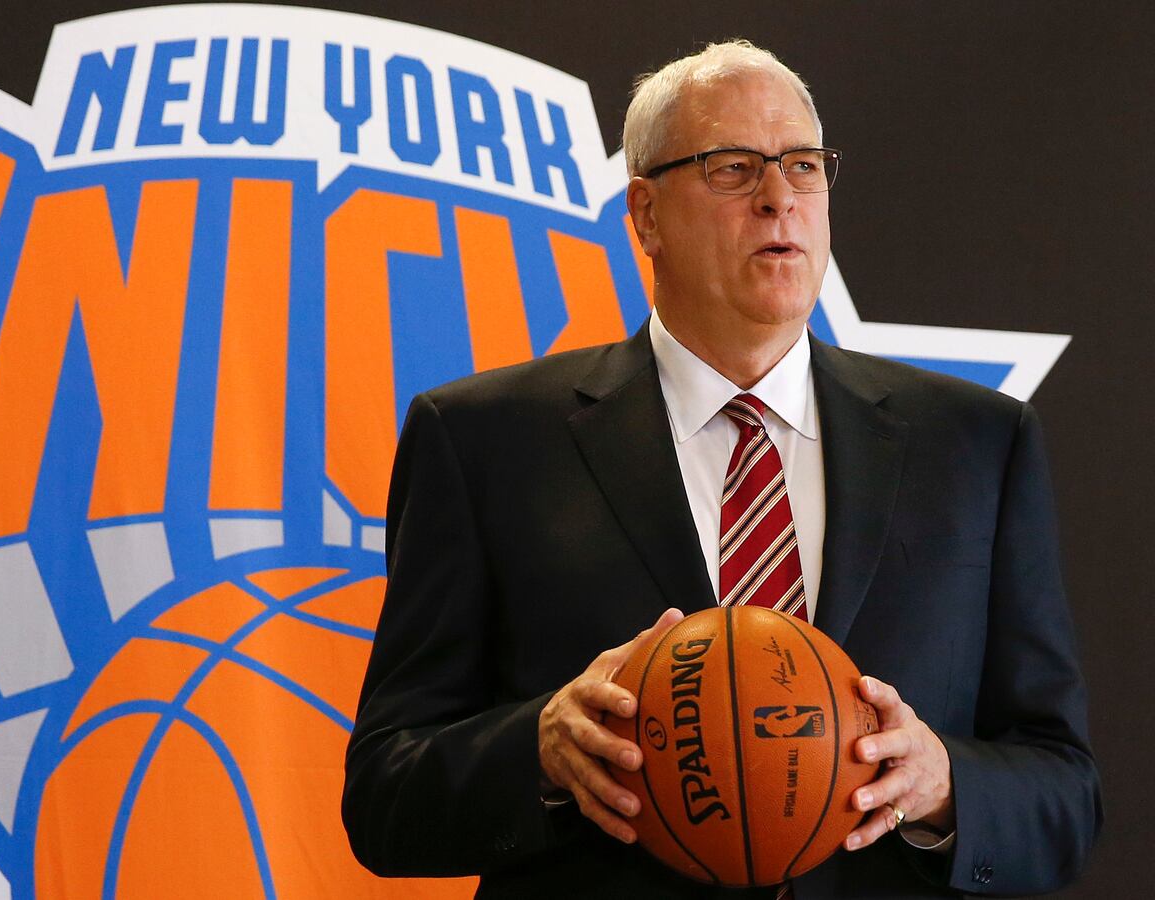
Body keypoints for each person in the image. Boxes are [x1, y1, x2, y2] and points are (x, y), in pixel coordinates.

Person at [342, 40, 1099, 898]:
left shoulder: (977, 444)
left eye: (803, 166)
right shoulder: (483, 441)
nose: (779, 198)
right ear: (646, 215)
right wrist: (539, 750)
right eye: (733, 168)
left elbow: (1063, 789)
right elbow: (385, 795)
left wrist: (945, 787)